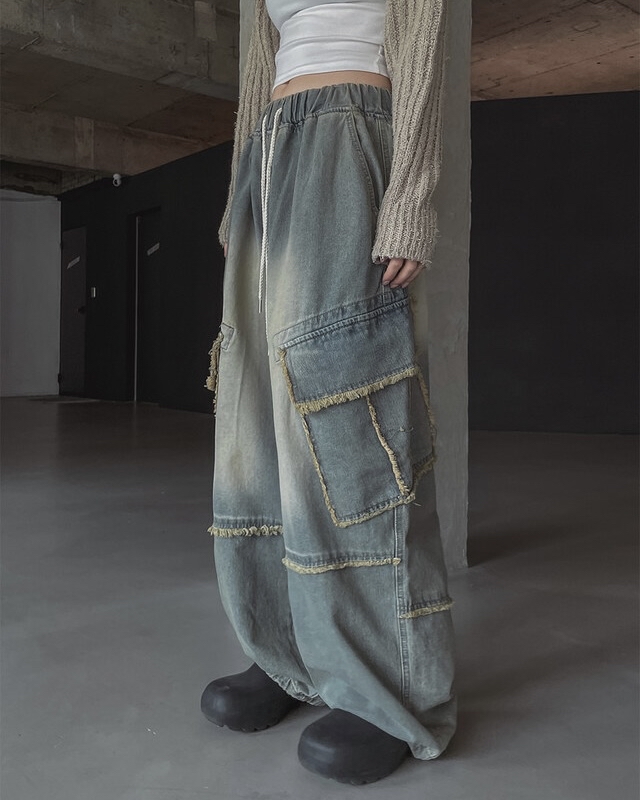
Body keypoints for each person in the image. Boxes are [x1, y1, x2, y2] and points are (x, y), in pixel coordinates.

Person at [201, 0, 456, 785]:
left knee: (347, 411)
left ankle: (387, 691)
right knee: (257, 416)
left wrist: (410, 198)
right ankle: (286, 654)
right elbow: (259, 71)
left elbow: (424, 48)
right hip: (270, 149)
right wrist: (241, 193)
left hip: (353, 133)